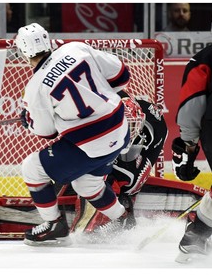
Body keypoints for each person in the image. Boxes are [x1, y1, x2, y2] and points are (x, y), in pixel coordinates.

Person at [15, 23, 135, 246]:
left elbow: (46, 132)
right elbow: (121, 74)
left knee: (32, 168)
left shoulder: (36, 86)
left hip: (91, 145)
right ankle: (123, 219)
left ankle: (54, 224)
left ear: (23, 52)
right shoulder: (76, 48)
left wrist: (28, 121)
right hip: (120, 130)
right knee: (87, 185)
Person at [69, 90, 168, 234]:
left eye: (130, 127)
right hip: (106, 136)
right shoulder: (97, 112)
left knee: (130, 181)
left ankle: (123, 205)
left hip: (142, 147)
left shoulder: (154, 125)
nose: (125, 132)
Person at [171, 44, 212, 263]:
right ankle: (197, 233)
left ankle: (197, 233)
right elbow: (191, 105)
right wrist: (188, 146)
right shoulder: (206, 58)